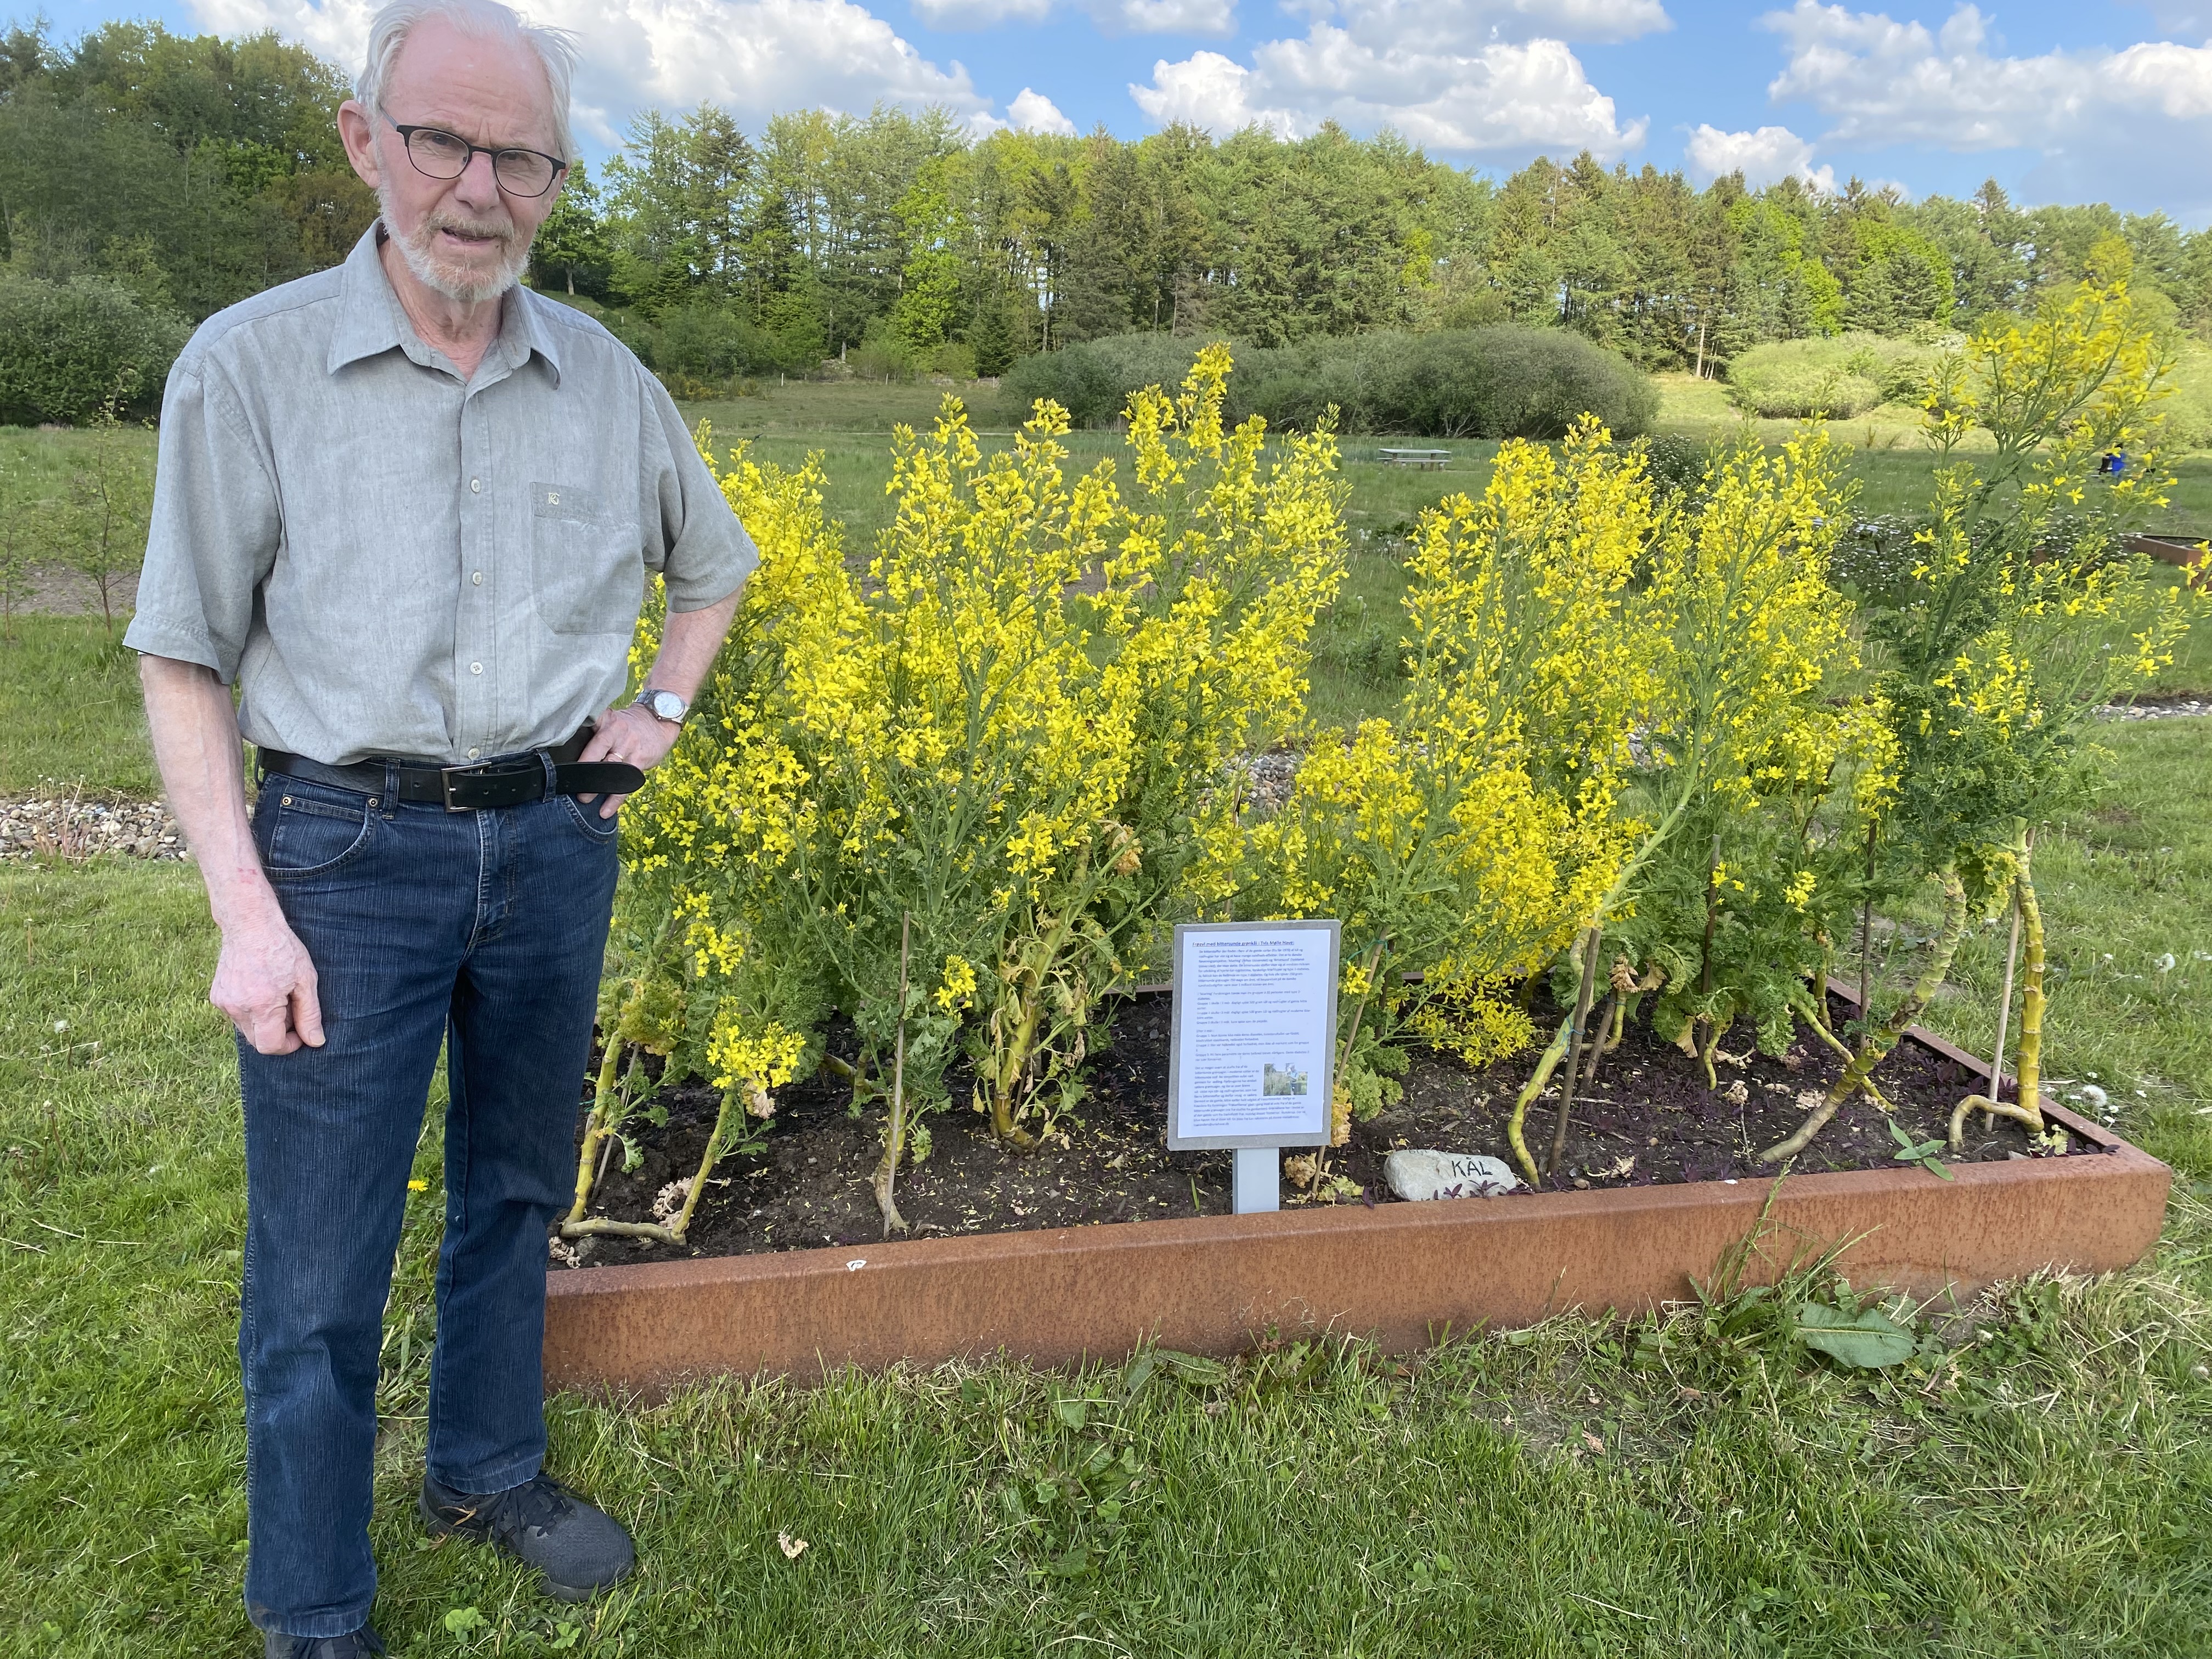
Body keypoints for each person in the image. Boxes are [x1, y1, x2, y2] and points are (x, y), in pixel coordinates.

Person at [125, 3, 756, 1651]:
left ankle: (483, 1470)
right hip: (342, 852)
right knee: (321, 1265)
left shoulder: (606, 378)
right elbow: (180, 654)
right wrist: (243, 913)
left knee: (512, 1192)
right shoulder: (249, 367)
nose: (479, 186)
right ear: (364, 140)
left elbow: (719, 566)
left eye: (520, 156)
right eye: (443, 142)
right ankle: (314, 1599)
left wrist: (660, 715)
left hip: (553, 841)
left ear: (554, 177)